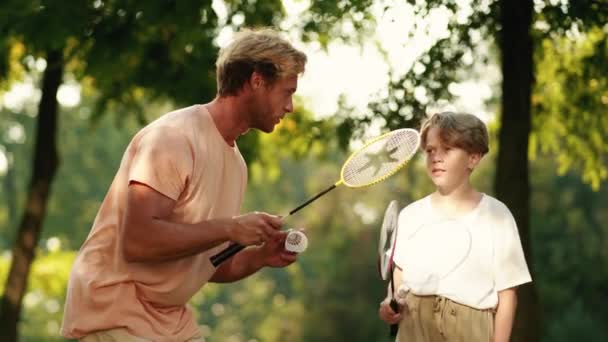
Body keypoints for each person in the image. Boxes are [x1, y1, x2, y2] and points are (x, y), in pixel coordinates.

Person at [61, 28, 307, 341]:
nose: (290, 107)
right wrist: (230, 228)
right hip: (115, 310)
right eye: (287, 92)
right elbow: (138, 242)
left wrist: (259, 256)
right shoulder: (174, 138)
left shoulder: (237, 165)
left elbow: (206, 263)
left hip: (169, 321)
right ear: (257, 80)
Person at [378, 112, 532, 342]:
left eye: (447, 149)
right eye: (430, 150)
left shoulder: (497, 215)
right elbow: (399, 284)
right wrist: (389, 305)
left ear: (473, 158)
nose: (436, 158)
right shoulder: (411, 216)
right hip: (414, 329)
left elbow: (508, 296)